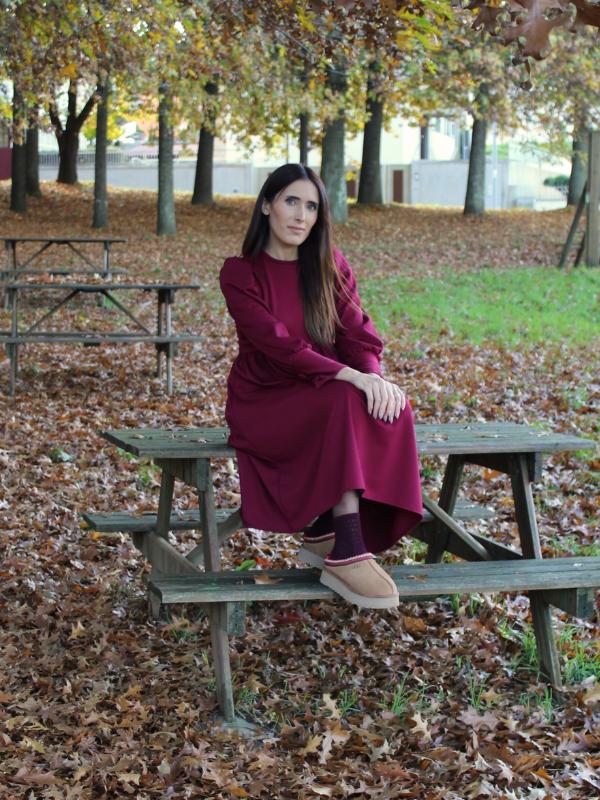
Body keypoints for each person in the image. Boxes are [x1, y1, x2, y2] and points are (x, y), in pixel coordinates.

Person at [219, 164, 423, 609]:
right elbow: (279, 346)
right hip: (265, 396)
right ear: (267, 205)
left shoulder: (329, 266)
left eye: (311, 206)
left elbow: (357, 334)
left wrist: (373, 377)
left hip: (324, 388)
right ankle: (346, 549)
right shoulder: (240, 272)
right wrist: (351, 377)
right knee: (345, 397)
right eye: (291, 201)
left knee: (393, 406)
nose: (301, 215)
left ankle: (328, 530)